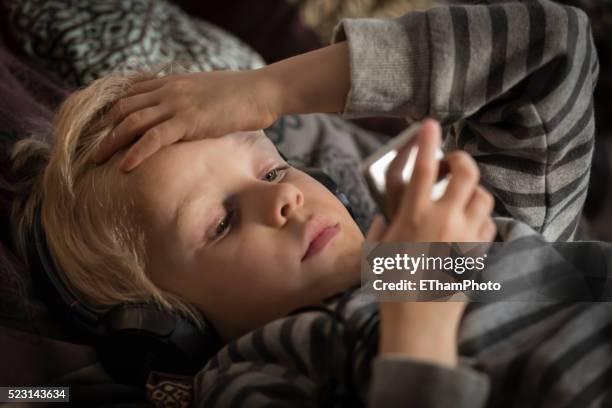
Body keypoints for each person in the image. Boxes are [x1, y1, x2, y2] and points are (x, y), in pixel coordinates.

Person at [2, 0, 600, 406]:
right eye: (221, 223)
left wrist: (271, 87)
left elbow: (554, 47)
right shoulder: (258, 377)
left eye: (273, 167)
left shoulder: (468, 240)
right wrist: (416, 327)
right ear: (166, 326)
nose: (284, 196)